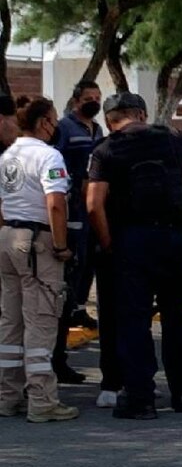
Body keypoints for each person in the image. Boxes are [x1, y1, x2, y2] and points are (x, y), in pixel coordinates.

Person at [87, 92, 182, 420]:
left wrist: (109, 243)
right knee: (175, 315)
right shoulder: (175, 138)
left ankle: (141, 399)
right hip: (174, 238)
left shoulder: (106, 149)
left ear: (110, 121)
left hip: (132, 240)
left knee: (134, 319)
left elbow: (95, 204)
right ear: (142, 113)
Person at [0, 97, 80, 422]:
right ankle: (42, 401)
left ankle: (7, 397)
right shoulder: (49, 155)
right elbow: (56, 203)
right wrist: (61, 246)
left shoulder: (7, 156)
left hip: (7, 238)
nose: (56, 125)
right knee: (41, 320)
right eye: (54, 119)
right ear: (44, 121)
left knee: (10, 321)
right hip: (37, 242)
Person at [51, 80, 105, 386]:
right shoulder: (65, 128)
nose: (93, 102)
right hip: (70, 212)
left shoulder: (96, 131)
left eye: (97, 98)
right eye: (89, 98)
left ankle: (78, 309)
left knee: (86, 270)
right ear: (76, 100)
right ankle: (57, 359)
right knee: (67, 279)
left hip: (91, 214)